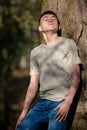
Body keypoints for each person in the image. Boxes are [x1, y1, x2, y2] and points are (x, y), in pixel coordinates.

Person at [15, 10, 81, 130]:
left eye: (53, 18)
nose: (50, 19)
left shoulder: (68, 44)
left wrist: (68, 102)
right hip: (41, 104)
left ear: (59, 26)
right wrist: (24, 112)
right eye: (45, 18)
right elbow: (33, 84)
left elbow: (76, 75)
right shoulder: (35, 52)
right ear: (40, 28)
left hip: (60, 103)